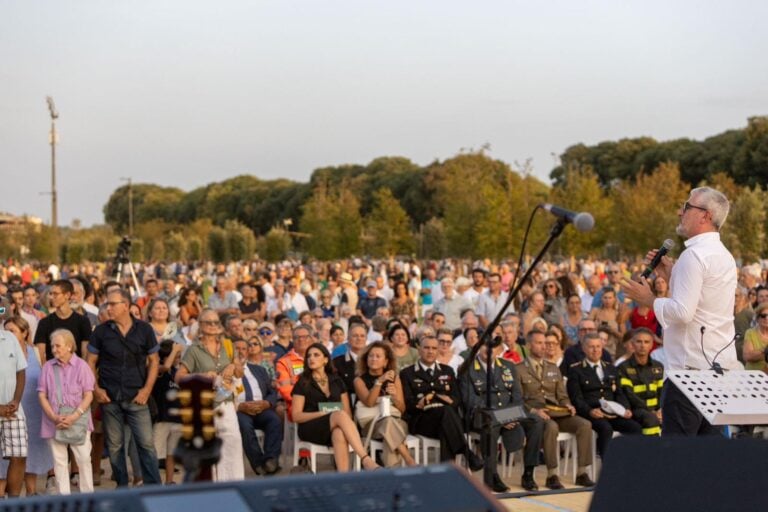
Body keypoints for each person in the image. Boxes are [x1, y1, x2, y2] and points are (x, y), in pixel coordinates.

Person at [622, 187, 740, 436]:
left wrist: (650, 299)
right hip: (717, 371)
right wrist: (672, 276)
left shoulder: (694, 255)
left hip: (689, 375)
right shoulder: (724, 255)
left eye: (687, 207)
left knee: (678, 457)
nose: (680, 212)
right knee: (711, 458)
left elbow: (684, 313)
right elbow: (704, 307)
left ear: (705, 215)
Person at [86, 288, 162, 487]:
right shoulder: (101, 331)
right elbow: (90, 361)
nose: (107, 308)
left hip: (137, 395)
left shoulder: (144, 330)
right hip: (109, 397)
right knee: (115, 446)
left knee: (146, 444)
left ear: (126, 305)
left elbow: (154, 361)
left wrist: (146, 390)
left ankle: (154, 486)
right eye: (107, 304)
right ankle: (121, 486)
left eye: (112, 304)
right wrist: (96, 389)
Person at [459, 336, 544, 493]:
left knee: (536, 421)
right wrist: (502, 416)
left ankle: (528, 473)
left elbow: (517, 397)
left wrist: (507, 416)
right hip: (483, 416)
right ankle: (492, 475)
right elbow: (471, 401)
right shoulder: (467, 368)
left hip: (510, 413)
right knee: (490, 426)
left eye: (493, 347)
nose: (489, 350)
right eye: (485, 346)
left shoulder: (508, 366)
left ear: (499, 349)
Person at [516, 330, 595, 489]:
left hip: (558, 412)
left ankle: (582, 473)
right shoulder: (519, 369)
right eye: (539, 343)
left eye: (545, 343)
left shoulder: (553, 368)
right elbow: (518, 399)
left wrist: (568, 405)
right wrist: (534, 411)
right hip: (538, 415)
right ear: (529, 345)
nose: (543, 346)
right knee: (551, 427)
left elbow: (562, 395)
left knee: (585, 425)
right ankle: (552, 475)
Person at [175, 308, 245, 481]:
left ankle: (234, 486)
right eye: (209, 322)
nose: (213, 326)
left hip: (227, 403)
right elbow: (179, 377)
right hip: (205, 405)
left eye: (216, 322)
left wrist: (233, 367)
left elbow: (240, 372)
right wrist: (202, 376)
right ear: (200, 325)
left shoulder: (228, 345)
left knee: (233, 445)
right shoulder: (194, 350)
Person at [291, 343, 379, 471]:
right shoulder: (303, 382)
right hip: (311, 428)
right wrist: (322, 414)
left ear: (325, 360)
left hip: (335, 425)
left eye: (316, 355)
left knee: (339, 432)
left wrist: (333, 416)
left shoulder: (337, 381)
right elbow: (296, 416)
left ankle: (343, 479)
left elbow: (348, 413)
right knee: (339, 414)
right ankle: (365, 458)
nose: (311, 358)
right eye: (309, 356)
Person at [400, 335, 483, 471]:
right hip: (423, 421)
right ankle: (467, 453)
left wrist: (445, 399)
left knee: (446, 422)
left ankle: (446, 475)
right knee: (447, 414)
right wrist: (422, 401)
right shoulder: (407, 373)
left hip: (446, 419)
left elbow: (457, 399)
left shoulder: (447, 371)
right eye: (426, 347)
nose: (430, 351)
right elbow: (408, 404)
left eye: (434, 348)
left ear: (438, 351)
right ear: (419, 350)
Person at [38, 329, 95, 495]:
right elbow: (42, 395)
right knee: (59, 462)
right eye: (52, 346)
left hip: (78, 420)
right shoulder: (48, 367)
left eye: (58, 346)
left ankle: (88, 497)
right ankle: (64, 499)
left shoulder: (82, 366)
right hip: (53, 420)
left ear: (69, 346)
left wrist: (74, 416)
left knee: (84, 459)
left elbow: (89, 395)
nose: (54, 349)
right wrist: (54, 417)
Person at [567, 333, 642, 458]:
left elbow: (619, 393)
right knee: (605, 429)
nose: (595, 350)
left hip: (613, 413)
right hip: (592, 413)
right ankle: (607, 467)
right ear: (584, 349)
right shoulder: (576, 370)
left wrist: (626, 408)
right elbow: (576, 398)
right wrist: (590, 411)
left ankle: (632, 463)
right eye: (591, 347)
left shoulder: (611, 368)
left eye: (598, 346)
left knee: (635, 428)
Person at [4, 316, 52, 496]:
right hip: (9, 411)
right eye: (6, 330)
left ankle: (31, 494)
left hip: (33, 411)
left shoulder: (36, 352)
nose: (8, 334)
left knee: (31, 453)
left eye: (13, 331)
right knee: (8, 456)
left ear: (24, 333)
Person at [353, 342, 416, 467]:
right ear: (366, 359)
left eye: (378, 356)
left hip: (397, 423)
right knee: (388, 423)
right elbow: (369, 403)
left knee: (389, 428)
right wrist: (379, 382)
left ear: (386, 361)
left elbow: (402, 409)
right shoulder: (359, 380)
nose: (373, 359)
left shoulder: (394, 378)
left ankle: (390, 475)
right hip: (372, 425)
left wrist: (393, 397)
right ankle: (408, 459)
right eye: (371, 356)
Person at [236, 338, 282, 476]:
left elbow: (272, 391)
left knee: (274, 420)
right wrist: (239, 406)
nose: (240, 351)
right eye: (236, 348)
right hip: (241, 410)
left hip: (261, 408)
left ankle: (270, 460)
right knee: (244, 425)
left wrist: (267, 403)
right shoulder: (225, 371)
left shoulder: (259, 370)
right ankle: (258, 463)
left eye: (243, 348)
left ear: (248, 351)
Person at [617, 328, 664, 436]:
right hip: (636, 410)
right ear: (632, 344)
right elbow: (629, 395)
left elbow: (662, 392)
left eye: (646, 342)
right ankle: (650, 450)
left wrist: (661, 410)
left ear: (652, 344)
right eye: (639, 341)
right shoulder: (623, 367)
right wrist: (651, 411)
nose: (643, 345)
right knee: (651, 419)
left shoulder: (658, 367)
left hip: (656, 411)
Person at [0, 319, 28, 498]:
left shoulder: (10, 338)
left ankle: (14, 503)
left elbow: (21, 372)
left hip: (12, 409)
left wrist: (16, 401)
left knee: (19, 455)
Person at [34, 279, 92, 363]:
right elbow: (40, 355)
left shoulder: (83, 321)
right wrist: (46, 372)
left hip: (75, 371)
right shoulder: (44, 322)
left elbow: (85, 354)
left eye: (56, 294)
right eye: (51, 294)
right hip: (52, 371)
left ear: (67, 295)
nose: (51, 297)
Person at [275, 324, 314, 420]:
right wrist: (308, 400)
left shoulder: (321, 357)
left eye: (305, 337)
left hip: (320, 403)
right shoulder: (283, 362)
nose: (301, 340)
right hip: (297, 406)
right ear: (292, 340)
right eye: (297, 337)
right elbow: (285, 390)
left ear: (311, 339)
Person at [332, 322, 367, 399]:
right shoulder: (337, 362)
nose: (359, 338)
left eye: (362, 336)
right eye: (355, 336)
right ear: (348, 339)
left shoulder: (374, 360)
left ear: (366, 339)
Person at [742, 302, 768, 372]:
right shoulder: (750, 333)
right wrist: (765, 351)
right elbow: (747, 356)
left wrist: (758, 353)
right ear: (757, 318)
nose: (766, 318)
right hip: (752, 376)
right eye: (763, 316)